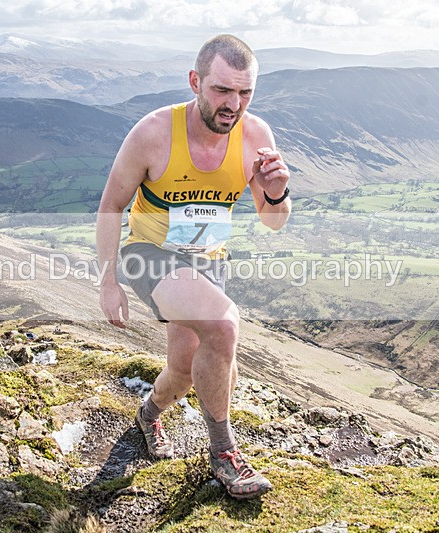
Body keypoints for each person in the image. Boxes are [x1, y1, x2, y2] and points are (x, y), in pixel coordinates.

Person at [96, 34, 291, 500]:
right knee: (223, 326)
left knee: (185, 370)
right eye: (222, 90)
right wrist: (108, 283)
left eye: (245, 93)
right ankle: (225, 456)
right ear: (195, 82)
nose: (234, 104)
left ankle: (147, 414)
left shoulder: (257, 137)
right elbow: (110, 206)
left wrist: (278, 190)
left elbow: (274, 222)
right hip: (149, 254)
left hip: (209, 262)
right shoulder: (154, 132)